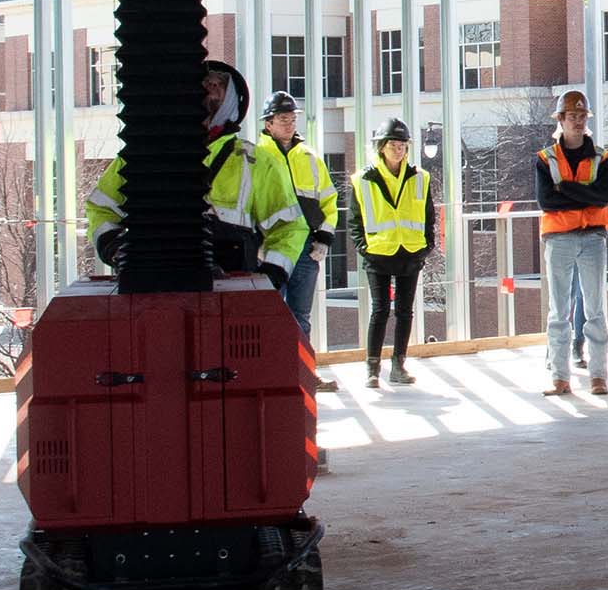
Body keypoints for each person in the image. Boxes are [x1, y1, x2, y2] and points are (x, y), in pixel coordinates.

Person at [85, 59, 305, 292]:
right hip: (154, 288)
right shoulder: (144, 155)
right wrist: (116, 248)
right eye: (202, 84)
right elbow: (101, 207)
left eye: (217, 85)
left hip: (231, 294)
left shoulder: (256, 162)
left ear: (230, 101)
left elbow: (289, 227)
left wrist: (270, 275)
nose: (207, 89)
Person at [535, 87, 608, 398]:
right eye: (572, 116)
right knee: (559, 311)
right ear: (561, 119)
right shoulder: (546, 159)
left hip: (592, 238)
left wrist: (564, 189)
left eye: (582, 116)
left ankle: (598, 376)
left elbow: (602, 197)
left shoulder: (601, 158)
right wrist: (583, 196)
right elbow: (547, 201)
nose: (578, 121)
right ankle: (559, 377)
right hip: (559, 239)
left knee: (595, 310)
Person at [351, 116, 434, 391]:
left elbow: (428, 214)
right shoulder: (364, 179)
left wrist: (426, 246)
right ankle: (372, 368)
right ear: (382, 147)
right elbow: (355, 220)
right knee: (380, 310)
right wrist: (363, 248)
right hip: (378, 253)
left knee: (405, 311)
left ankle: (399, 364)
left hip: (410, 252)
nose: (399, 149)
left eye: (402, 144)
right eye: (393, 144)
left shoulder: (419, 177)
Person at [256, 90, 339, 349]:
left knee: (300, 316)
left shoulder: (310, 158)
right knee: (269, 315)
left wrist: (324, 238)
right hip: (270, 248)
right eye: (283, 119)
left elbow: (329, 201)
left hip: (305, 248)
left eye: (293, 118)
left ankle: (301, 374)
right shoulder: (255, 158)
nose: (290, 124)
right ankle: (273, 376)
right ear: (268, 123)